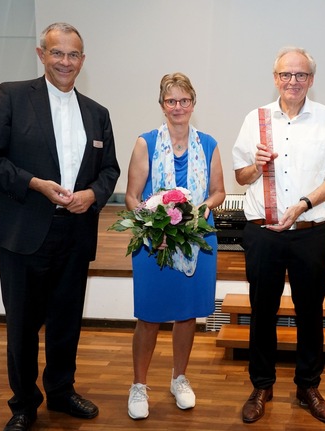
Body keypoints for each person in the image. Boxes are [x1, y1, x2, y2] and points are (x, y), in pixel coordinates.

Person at [0, 22, 120, 431]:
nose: (65, 62)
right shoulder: (13, 96)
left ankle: (60, 390)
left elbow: (109, 170)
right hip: (23, 233)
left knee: (66, 320)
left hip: (74, 233)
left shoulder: (97, 112)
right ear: (42, 55)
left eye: (73, 55)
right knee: (21, 324)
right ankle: (23, 403)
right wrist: (34, 184)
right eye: (57, 53)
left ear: (83, 61)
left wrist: (93, 195)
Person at [232, 46, 325, 424]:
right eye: (286, 75)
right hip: (263, 233)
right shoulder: (257, 118)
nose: (293, 81)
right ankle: (262, 385)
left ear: (311, 80)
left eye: (300, 75)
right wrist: (256, 164)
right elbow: (241, 176)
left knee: (310, 312)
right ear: (275, 78)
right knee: (262, 311)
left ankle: (308, 386)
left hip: (310, 231)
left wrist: (303, 203)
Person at [124, 72, 225, 420]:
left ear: (193, 104)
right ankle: (139, 385)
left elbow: (218, 192)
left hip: (197, 238)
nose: (178, 107)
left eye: (184, 100)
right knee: (149, 315)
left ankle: (179, 378)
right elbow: (132, 196)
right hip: (155, 242)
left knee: (187, 314)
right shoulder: (145, 143)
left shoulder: (209, 144)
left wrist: (202, 209)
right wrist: (154, 222)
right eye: (171, 101)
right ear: (162, 105)